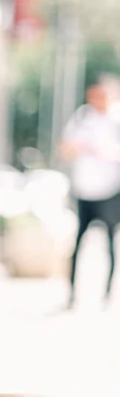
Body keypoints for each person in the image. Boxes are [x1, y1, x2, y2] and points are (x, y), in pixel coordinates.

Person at [60, 79, 120, 307]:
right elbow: (65, 148)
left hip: (110, 190)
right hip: (84, 189)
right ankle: (72, 293)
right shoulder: (82, 117)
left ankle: (107, 295)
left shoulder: (116, 120)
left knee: (110, 243)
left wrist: (105, 152)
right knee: (78, 242)